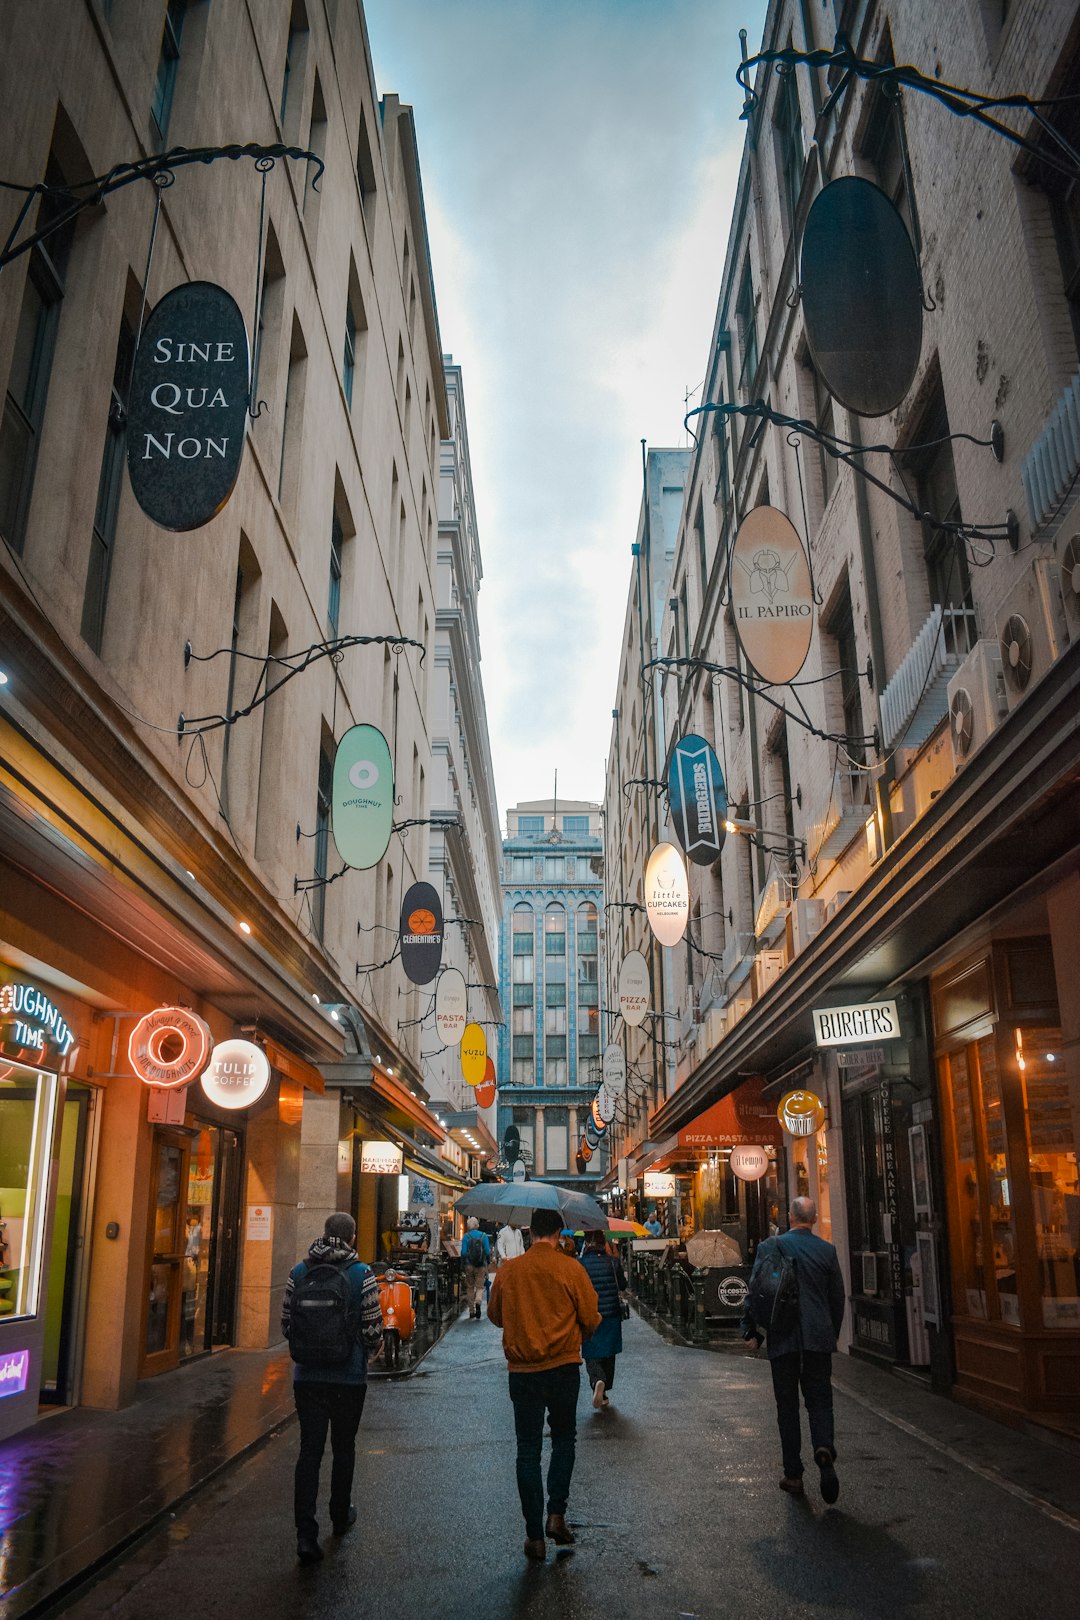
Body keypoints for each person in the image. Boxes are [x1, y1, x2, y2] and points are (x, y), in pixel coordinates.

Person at [487, 1206, 602, 1560]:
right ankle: (556, 1514)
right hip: (563, 1368)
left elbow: (494, 1316)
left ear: (530, 1232)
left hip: (522, 1372)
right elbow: (590, 1316)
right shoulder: (570, 1268)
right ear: (558, 1233)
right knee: (564, 1439)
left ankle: (534, 1536)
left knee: (528, 1449)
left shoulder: (510, 1271)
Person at [281, 1212, 383, 1564]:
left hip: (307, 1377)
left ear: (324, 1234)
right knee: (343, 1447)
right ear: (352, 1238)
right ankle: (340, 1515)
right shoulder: (362, 1274)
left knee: (309, 1452)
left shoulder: (298, 1272)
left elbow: (286, 1325)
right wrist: (370, 1351)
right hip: (348, 1376)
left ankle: (305, 1535)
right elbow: (372, 1329)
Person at [741, 1196, 846, 1503]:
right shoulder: (827, 1251)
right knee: (820, 1401)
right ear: (813, 1219)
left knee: (786, 1407)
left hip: (783, 1339)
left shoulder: (769, 1247)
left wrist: (751, 1330)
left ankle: (793, 1474)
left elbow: (756, 1290)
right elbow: (836, 1299)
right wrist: (830, 1334)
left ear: (790, 1217)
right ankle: (823, 1447)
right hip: (817, 1339)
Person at [578, 1230, 627, 1410]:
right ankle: (604, 1389)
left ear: (587, 1243)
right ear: (603, 1243)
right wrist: (616, 1260)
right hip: (612, 1313)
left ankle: (597, 1380)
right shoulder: (612, 1263)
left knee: (592, 1351)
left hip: (590, 1314)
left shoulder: (580, 1264)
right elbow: (622, 1285)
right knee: (608, 1351)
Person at [461, 1215, 491, 1319]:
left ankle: (471, 1311)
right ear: (477, 1225)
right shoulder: (483, 1236)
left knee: (470, 1287)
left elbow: (463, 1253)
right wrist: (488, 1261)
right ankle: (478, 1301)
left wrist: (465, 1262)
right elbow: (487, 1251)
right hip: (481, 1265)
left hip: (469, 1266)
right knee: (480, 1286)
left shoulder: (466, 1237)